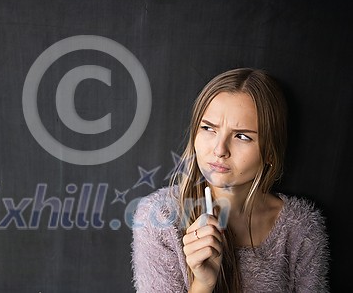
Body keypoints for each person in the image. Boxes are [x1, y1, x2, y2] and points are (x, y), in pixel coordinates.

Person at [131, 68, 329, 292]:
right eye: (208, 128)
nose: (219, 149)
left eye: (242, 136)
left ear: (271, 153)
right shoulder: (160, 217)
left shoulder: (300, 227)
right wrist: (203, 283)